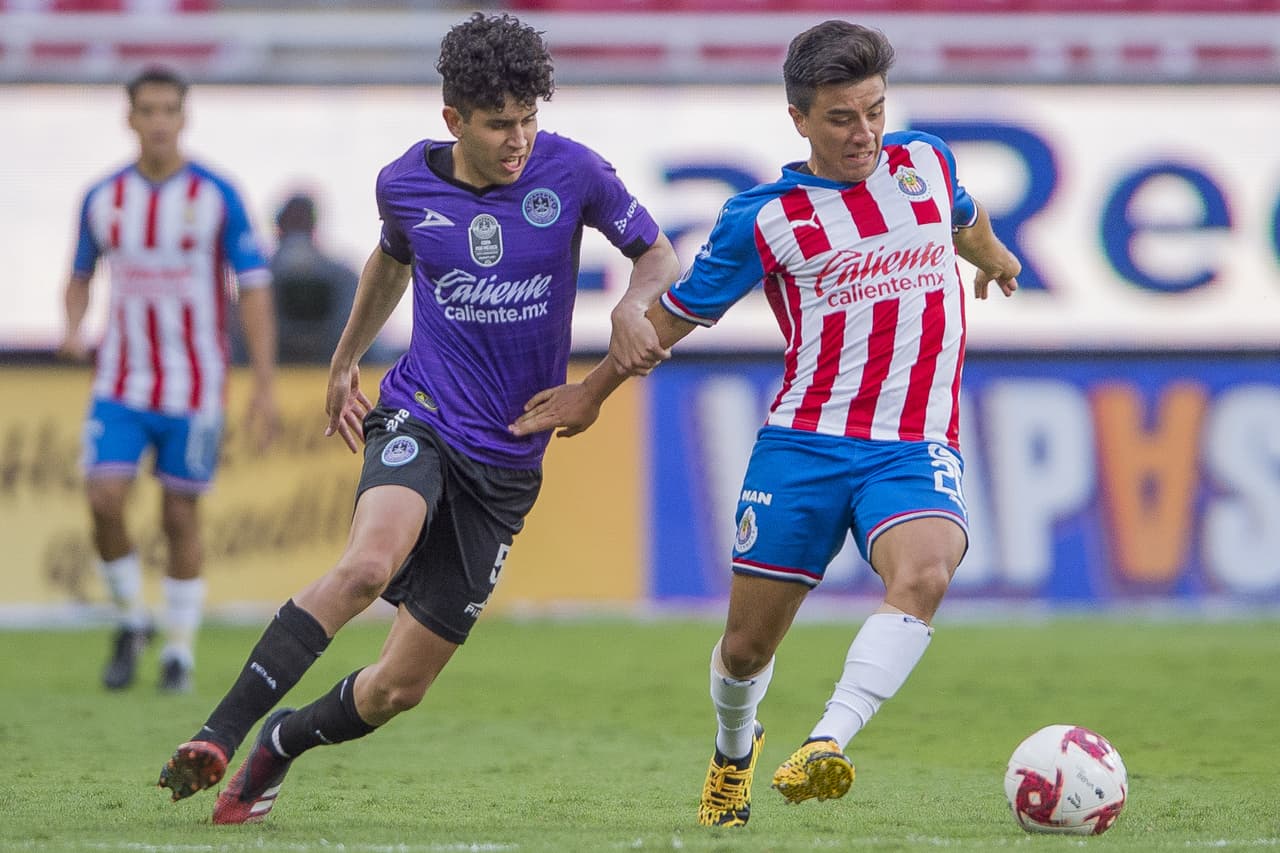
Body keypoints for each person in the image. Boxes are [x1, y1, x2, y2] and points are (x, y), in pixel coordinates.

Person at [156, 12, 680, 824]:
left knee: (397, 688)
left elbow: (657, 252)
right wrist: (343, 359)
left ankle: (279, 744)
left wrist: (632, 310)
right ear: (454, 121)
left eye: (529, 119)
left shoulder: (574, 173)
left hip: (507, 460)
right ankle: (218, 732)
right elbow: (390, 260)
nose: (518, 140)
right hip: (421, 412)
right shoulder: (404, 182)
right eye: (500, 124)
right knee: (366, 565)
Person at [510, 20, 1021, 828]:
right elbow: (674, 317)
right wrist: (594, 391)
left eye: (875, 111)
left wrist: (991, 256)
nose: (865, 134)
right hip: (805, 445)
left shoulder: (925, 160)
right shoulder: (764, 219)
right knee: (746, 649)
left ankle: (826, 742)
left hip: (914, 443)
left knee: (923, 575)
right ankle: (733, 751)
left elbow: (963, 214)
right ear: (799, 119)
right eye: (842, 119)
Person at [60, 66, 279, 694]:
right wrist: (73, 326)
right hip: (121, 382)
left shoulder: (217, 195)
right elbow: (79, 274)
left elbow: (254, 292)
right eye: (147, 110)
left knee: (180, 516)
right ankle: (132, 620)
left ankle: (178, 650)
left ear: (184, 118)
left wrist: (262, 383)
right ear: (130, 118)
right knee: (103, 499)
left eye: (168, 111)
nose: (158, 122)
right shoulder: (103, 197)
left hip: (196, 386)